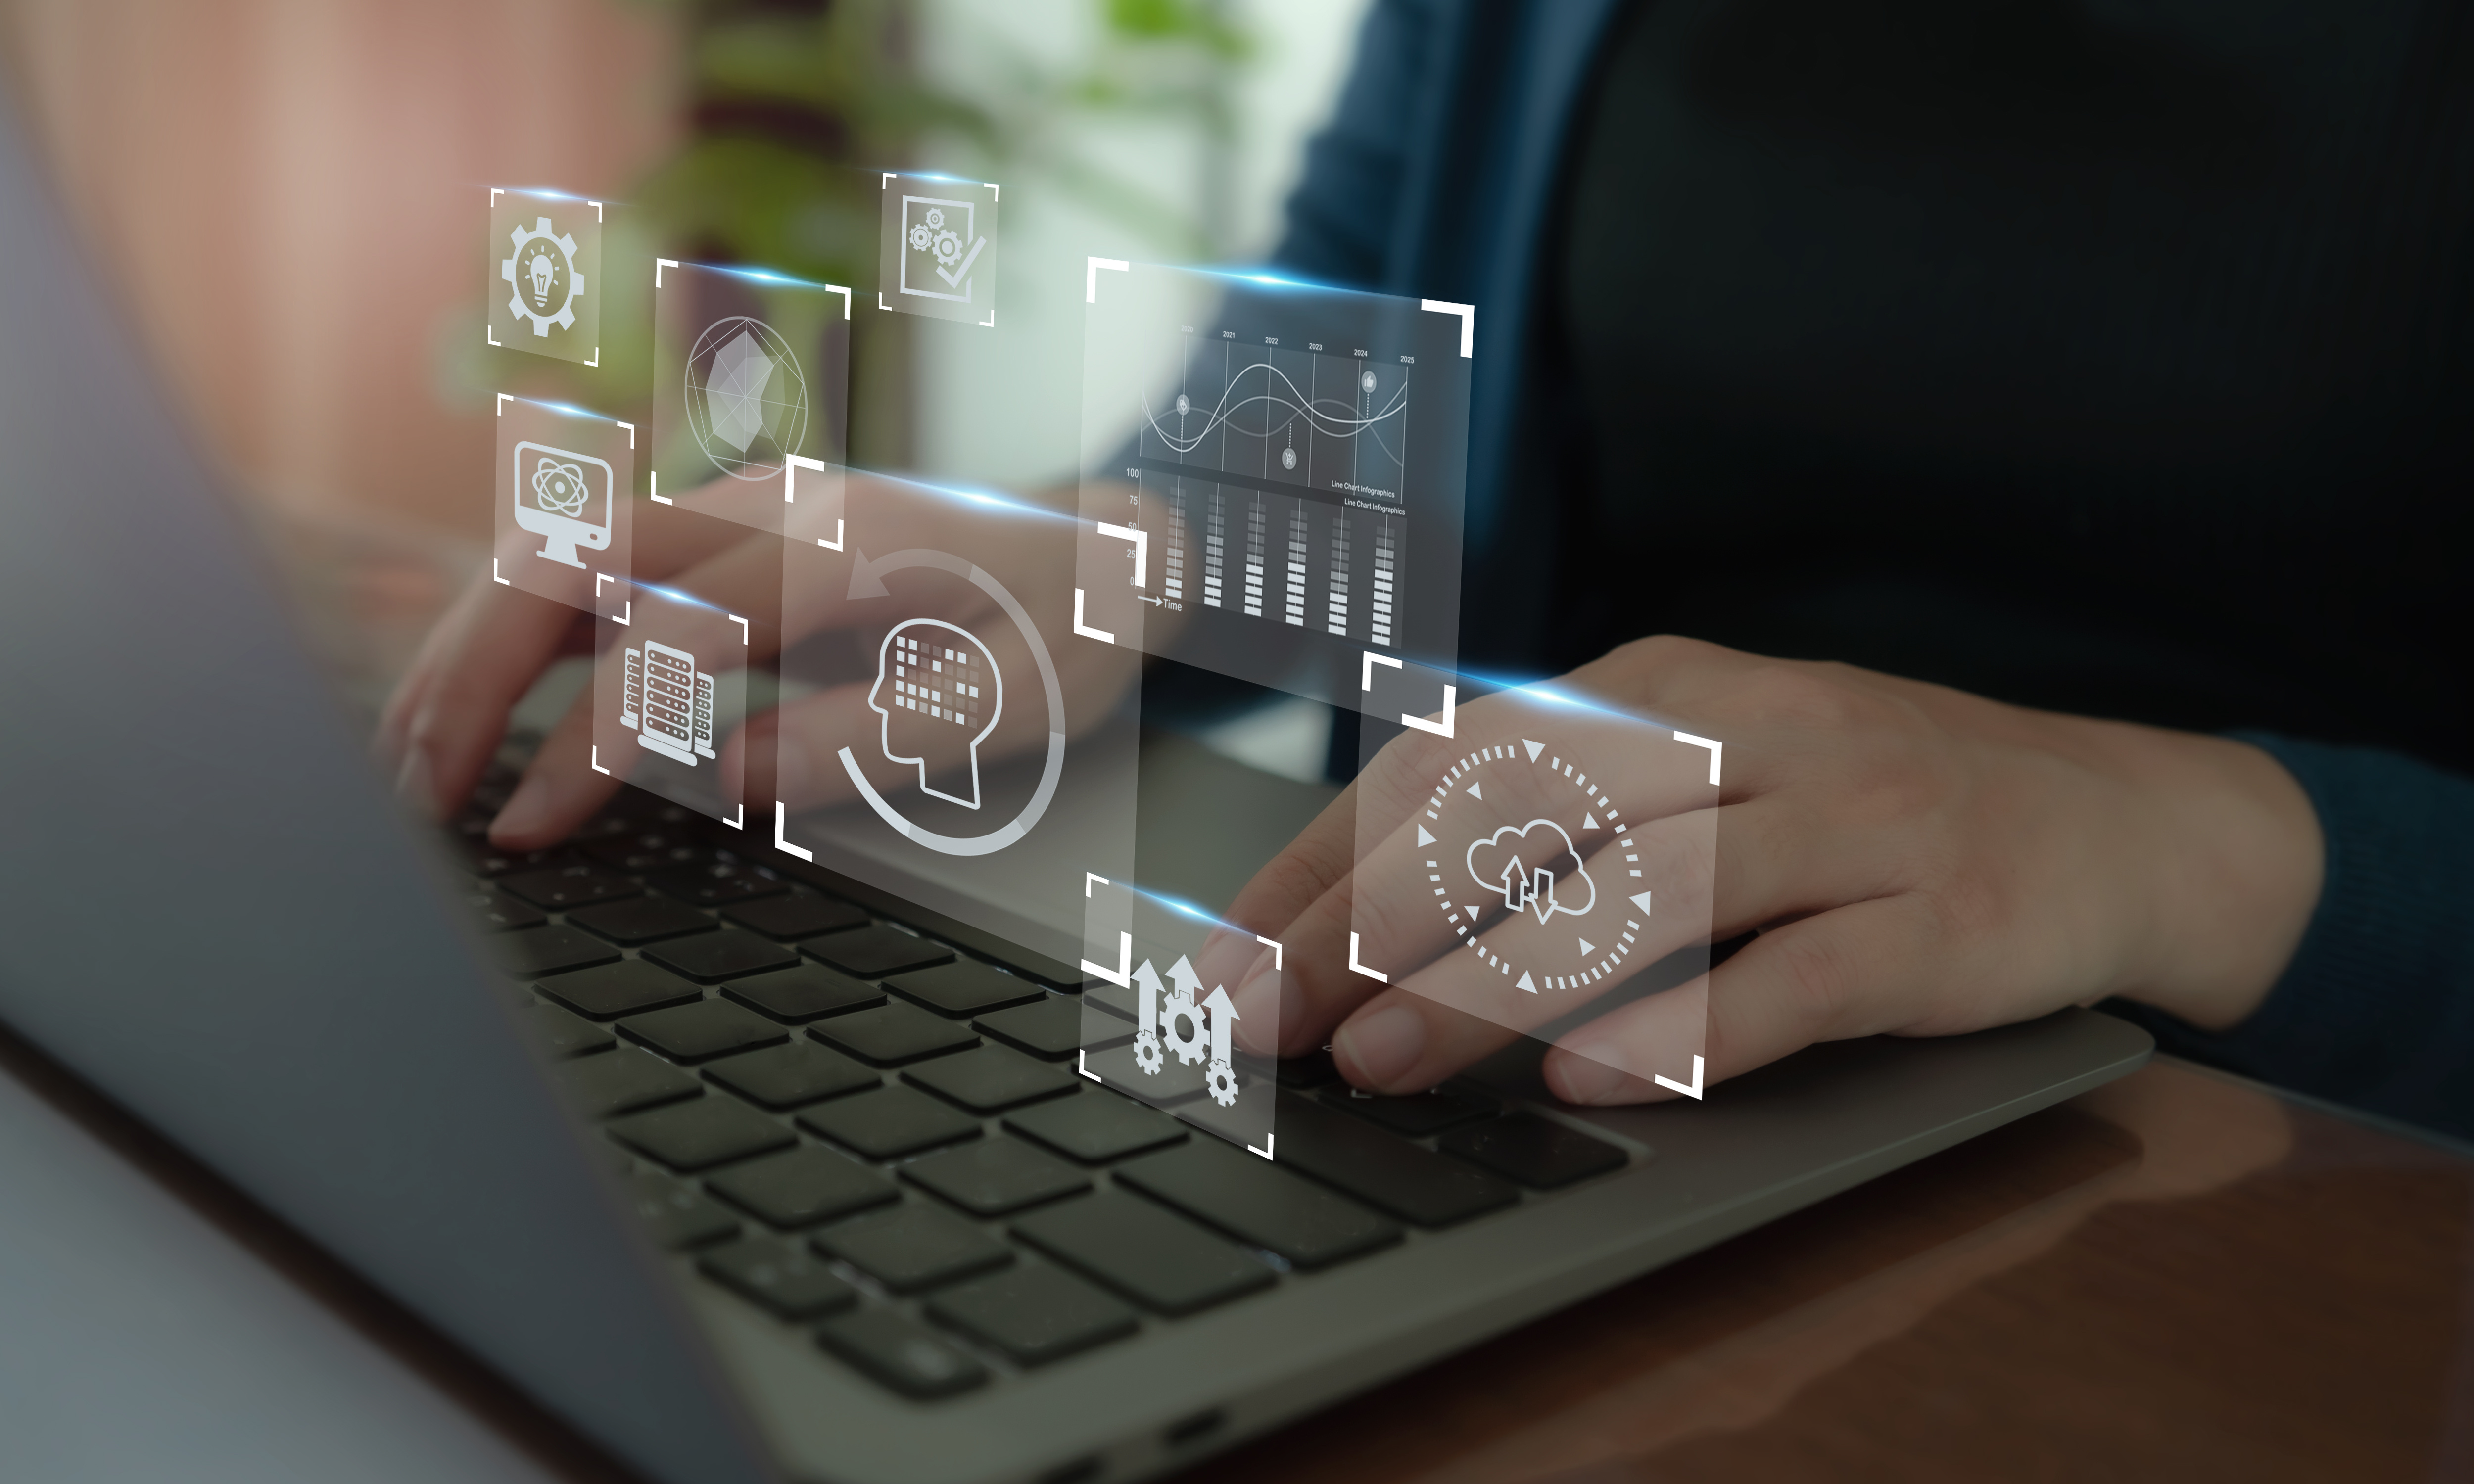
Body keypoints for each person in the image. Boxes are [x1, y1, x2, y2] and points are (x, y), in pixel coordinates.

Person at [388, 0, 2474, 1140]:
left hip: (2267, 1197)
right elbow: (1353, 336)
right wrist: (1121, 547)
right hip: (1520, 1091)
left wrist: (2172, 841)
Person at [1212, 0, 2474, 1136]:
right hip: (1529, 1065)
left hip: (2268, 1165)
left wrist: (2155, 840)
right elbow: (1342, 361)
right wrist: (1135, 550)